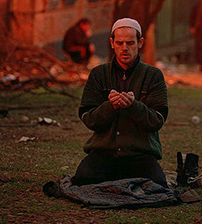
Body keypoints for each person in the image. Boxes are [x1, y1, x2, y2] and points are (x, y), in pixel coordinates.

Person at [71, 18, 168, 187]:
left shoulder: (153, 75)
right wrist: (110, 107)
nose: (124, 48)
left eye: (130, 43)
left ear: (140, 43)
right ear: (112, 43)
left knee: (157, 184)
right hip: (104, 153)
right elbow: (89, 119)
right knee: (83, 179)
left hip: (140, 155)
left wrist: (134, 107)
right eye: (120, 42)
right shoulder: (98, 74)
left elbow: (157, 121)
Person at [189, 0, 202, 65]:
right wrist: (192, 27)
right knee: (198, 45)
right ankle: (199, 61)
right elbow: (192, 17)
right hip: (198, 28)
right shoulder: (196, 7)